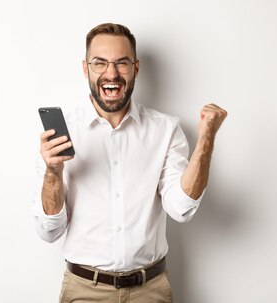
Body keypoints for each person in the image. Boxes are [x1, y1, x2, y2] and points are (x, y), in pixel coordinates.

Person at [32, 23, 227, 303]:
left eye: (121, 63)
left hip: (150, 291)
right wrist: (52, 171)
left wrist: (207, 137)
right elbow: (49, 231)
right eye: (100, 63)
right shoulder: (61, 135)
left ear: (135, 68)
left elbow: (181, 209)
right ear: (86, 69)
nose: (111, 74)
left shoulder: (166, 129)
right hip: (84, 291)